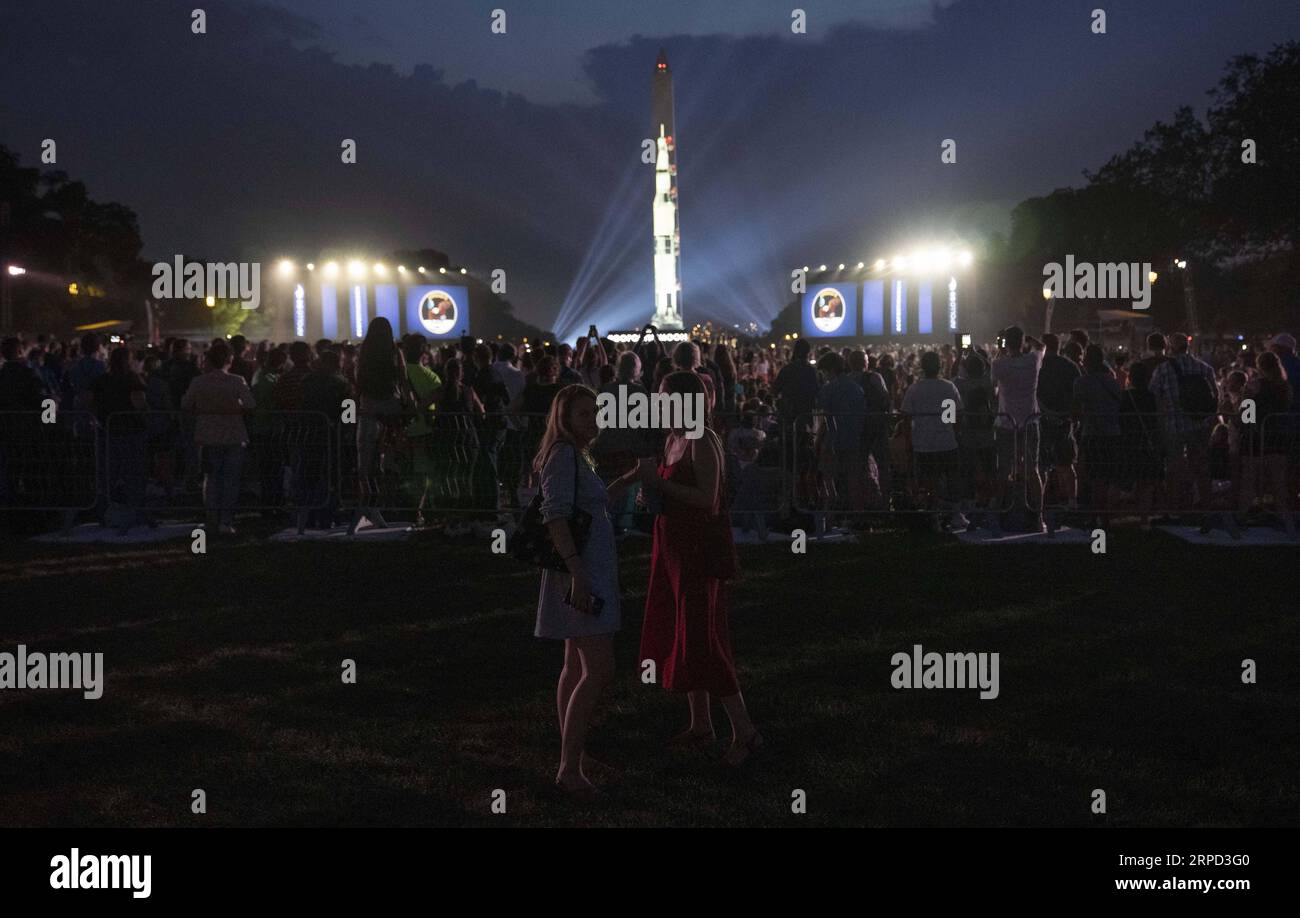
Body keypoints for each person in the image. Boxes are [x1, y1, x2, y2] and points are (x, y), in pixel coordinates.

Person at [636, 371, 761, 768]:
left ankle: (745, 732)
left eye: (663, 395)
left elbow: (706, 499)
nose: (657, 401)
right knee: (684, 634)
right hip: (673, 549)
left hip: (698, 552)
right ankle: (701, 724)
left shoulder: (702, 440)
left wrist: (658, 486)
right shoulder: (673, 438)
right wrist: (648, 491)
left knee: (705, 640)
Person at [533, 384, 636, 797]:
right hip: (580, 572)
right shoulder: (562, 455)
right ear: (564, 418)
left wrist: (629, 479)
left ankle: (570, 752)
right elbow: (554, 515)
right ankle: (569, 767)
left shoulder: (577, 454)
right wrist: (577, 571)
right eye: (583, 414)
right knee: (599, 669)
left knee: (575, 667)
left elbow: (591, 506)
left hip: (585, 569)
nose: (593, 421)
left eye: (596, 412)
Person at [180, 340, 254, 535]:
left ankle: (211, 519)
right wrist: (233, 407)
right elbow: (250, 404)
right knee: (231, 481)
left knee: (211, 480)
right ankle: (226, 521)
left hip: (208, 436)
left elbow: (186, 404)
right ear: (229, 361)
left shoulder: (199, 382)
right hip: (234, 436)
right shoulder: (237, 381)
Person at [1150, 333, 1219, 518]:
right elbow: (1215, 398)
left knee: (1174, 466)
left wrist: (1161, 418)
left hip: (1174, 424)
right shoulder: (1204, 368)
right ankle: (1205, 504)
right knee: (1201, 466)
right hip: (1199, 424)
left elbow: (1155, 396)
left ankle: (1175, 506)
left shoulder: (1164, 369)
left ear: (1170, 348)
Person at [350, 318, 408, 534]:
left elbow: (358, 382)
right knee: (390, 458)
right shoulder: (394, 352)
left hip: (368, 407)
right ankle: (389, 504)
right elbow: (402, 380)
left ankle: (366, 505)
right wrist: (409, 406)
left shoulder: (364, 352)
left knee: (365, 461)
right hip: (390, 408)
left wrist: (352, 410)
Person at [900, 351, 964, 529]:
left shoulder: (914, 388)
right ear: (939, 366)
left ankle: (934, 513)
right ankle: (955, 514)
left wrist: (908, 442)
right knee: (952, 478)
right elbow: (952, 416)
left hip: (923, 443)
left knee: (930, 480)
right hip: (946, 441)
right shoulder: (948, 387)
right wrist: (952, 432)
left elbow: (905, 416)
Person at [990, 326, 1045, 527]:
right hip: (1030, 422)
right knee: (1033, 470)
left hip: (1006, 423)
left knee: (1003, 471)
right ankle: (1038, 517)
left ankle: (998, 515)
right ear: (1022, 342)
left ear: (1006, 342)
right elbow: (1042, 347)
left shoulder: (999, 364)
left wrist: (1000, 349)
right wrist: (1030, 337)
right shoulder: (1033, 361)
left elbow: (992, 385)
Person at [1237, 351, 1295, 538]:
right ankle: (1286, 521)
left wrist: (1245, 419)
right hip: (1278, 437)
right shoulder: (1284, 387)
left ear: (1260, 366)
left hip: (1255, 437)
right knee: (1278, 483)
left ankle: (1241, 517)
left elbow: (1246, 413)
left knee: (1249, 481)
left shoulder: (1255, 385)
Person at [1071, 344, 1123, 525]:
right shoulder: (1112, 381)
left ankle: (1095, 516)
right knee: (1110, 477)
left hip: (1092, 433)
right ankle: (1107, 517)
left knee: (1095, 478)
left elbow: (1076, 410)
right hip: (1114, 432)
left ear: (1087, 360)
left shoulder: (1082, 382)